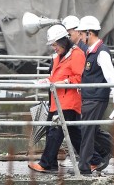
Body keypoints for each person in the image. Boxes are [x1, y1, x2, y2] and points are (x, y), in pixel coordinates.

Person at [75, 15, 114, 176]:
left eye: (81, 34)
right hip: (90, 97)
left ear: (89, 33)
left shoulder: (101, 52)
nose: (79, 37)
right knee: (92, 131)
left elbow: (111, 77)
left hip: (95, 98)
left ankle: (84, 168)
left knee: (86, 131)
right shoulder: (91, 51)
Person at [28, 24, 85, 174]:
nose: (54, 47)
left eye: (55, 44)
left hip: (68, 101)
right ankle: (93, 160)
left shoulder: (77, 54)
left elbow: (78, 78)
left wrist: (62, 82)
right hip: (58, 100)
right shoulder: (60, 56)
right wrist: (46, 80)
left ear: (62, 41)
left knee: (55, 132)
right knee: (72, 134)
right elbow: (55, 76)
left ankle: (47, 164)